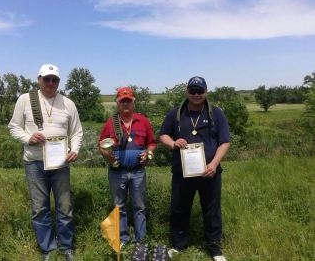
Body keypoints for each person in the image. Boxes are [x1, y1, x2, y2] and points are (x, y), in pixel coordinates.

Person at [8, 64, 83, 261]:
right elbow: (14, 127)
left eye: (55, 80)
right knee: (39, 208)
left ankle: (66, 247)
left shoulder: (68, 103)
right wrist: (28, 138)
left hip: (60, 165)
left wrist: (74, 150)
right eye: (47, 79)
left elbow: (77, 132)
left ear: (58, 82)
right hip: (34, 163)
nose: (51, 83)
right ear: (39, 79)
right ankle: (48, 249)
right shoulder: (25, 100)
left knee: (65, 207)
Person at [159, 76, 230, 261]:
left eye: (200, 91)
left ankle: (215, 249)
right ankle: (179, 245)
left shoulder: (216, 113)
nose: (196, 95)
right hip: (182, 172)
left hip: (210, 172)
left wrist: (214, 164)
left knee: (212, 210)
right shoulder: (176, 113)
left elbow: (224, 142)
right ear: (187, 92)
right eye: (193, 91)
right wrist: (174, 143)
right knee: (179, 209)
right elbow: (163, 135)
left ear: (206, 92)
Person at [98, 86, 157, 247]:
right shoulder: (111, 123)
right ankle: (123, 239)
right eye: (122, 101)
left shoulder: (143, 120)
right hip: (117, 172)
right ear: (117, 103)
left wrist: (148, 154)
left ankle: (141, 240)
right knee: (119, 206)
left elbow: (152, 143)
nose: (125, 104)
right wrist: (106, 155)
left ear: (133, 102)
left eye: (128, 101)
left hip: (138, 172)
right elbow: (101, 145)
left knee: (139, 207)